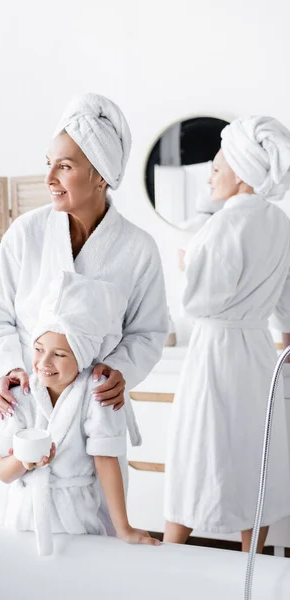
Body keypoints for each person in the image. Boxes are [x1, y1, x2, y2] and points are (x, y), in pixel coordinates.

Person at [0, 93, 169, 527]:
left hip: (91, 418)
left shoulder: (137, 249)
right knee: (15, 540)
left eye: (64, 166)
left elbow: (149, 331)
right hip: (27, 410)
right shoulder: (27, 233)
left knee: (91, 540)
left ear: (100, 175)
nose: (49, 177)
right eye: (49, 163)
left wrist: (117, 370)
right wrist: (7, 369)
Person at [164, 116, 290, 553]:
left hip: (215, 352)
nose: (210, 178)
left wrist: (186, 266)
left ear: (240, 174)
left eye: (216, 168)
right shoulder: (280, 223)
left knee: (196, 448)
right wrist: (284, 342)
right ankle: (251, 559)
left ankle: (173, 552)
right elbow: (287, 302)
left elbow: (198, 302)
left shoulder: (222, 225)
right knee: (256, 451)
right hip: (257, 353)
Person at [0, 271, 159, 555]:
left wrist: (123, 528)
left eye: (59, 354)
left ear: (82, 356)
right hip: (24, 523)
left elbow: (105, 458)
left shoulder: (95, 392)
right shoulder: (18, 394)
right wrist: (24, 460)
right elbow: (4, 474)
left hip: (78, 521)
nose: (44, 362)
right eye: (38, 349)